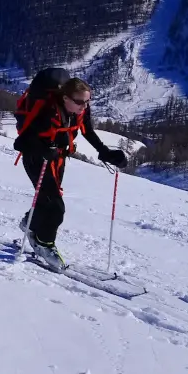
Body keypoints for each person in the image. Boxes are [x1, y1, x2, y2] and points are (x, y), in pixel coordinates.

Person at [12, 76, 127, 269]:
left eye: (87, 101)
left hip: (58, 159)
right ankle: (44, 244)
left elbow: (87, 130)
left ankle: (30, 224)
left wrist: (104, 152)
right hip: (36, 159)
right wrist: (44, 149)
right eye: (80, 101)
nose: (84, 106)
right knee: (56, 207)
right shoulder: (47, 112)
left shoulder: (79, 111)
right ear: (65, 98)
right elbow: (21, 142)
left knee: (47, 199)